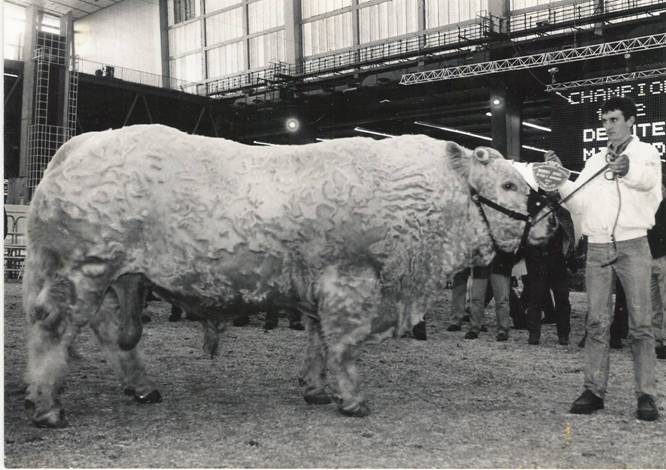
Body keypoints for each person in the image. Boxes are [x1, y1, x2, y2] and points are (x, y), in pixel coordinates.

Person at [547, 96, 661, 421]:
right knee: (596, 322)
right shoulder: (595, 160)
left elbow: (649, 182)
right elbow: (578, 202)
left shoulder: (646, 153)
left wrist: (627, 169)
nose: (607, 126)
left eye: (614, 120)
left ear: (631, 121)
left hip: (633, 244)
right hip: (597, 247)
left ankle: (646, 395)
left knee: (641, 324)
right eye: (605, 121)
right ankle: (593, 390)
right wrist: (559, 179)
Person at [524, 201, 574, 346]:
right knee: (535, 298)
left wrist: (568, 257)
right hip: (537, 260)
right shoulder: (532, 210)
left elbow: (570, 237)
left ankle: (563, 334)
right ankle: (534, 334)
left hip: (557, 260)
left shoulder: (562, 212)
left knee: (562, 299)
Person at [465, 251, 514, 342]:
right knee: (476, 298)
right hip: (481, 265)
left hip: (501, 263)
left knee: (502, 299)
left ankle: (503, 329)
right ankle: (474, 328)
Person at [648, 196, 666, 360]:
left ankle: (662, 341)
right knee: (653, 303)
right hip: (649, 257)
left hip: (661, 257)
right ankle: (656, 341)